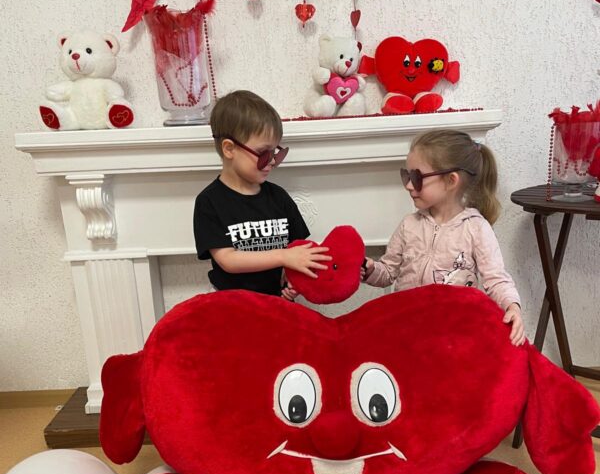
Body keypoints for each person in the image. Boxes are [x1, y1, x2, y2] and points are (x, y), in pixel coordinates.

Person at [362, 129, 526, 345]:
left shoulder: (476, 228)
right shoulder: (409, 225)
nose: (409, 185)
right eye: (406, 176)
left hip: (452, 334)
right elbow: (388, 272)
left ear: (450, 181)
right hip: (406, 328)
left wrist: (512, 306)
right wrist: (370, 269)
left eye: (416, 177)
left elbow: (496, 279)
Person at [194, 90, 331, 297]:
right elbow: (228, 260)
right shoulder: (209, 202)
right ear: (229, 149)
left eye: (275, 152)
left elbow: (298, 248)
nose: (272, 161)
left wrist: (293, 277)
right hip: (232, 304)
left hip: (277, 301)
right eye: (263, 153)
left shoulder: (278, 198)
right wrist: (284, 257)